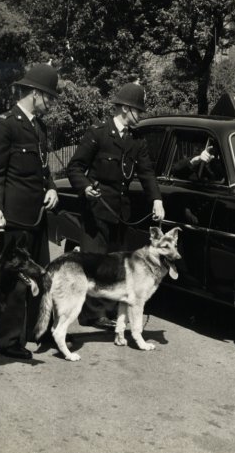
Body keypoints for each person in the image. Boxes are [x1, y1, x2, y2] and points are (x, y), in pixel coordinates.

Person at [67, 82, 165, 329]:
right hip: (97, 211)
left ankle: (107, 311)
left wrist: (156, 199)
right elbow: (75, 167)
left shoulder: (136, 141)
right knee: (94, 264)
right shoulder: (98, 134)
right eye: (137, 111)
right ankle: (90, 314)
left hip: (120, 214)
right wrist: (85, 186)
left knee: (115, 266)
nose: (140, 116)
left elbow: (146, 173)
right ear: (124, 109)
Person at [0, 63, 59, 359]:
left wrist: (51, 187)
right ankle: (7, 341)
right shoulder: (6, 124)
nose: (50, 103)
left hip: (38, 217)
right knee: (13, 282)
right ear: (36, 94)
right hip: (14, 218)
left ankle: (35, 332)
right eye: (49, 97)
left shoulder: (39, 127)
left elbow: (43, 168)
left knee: (41, 276)